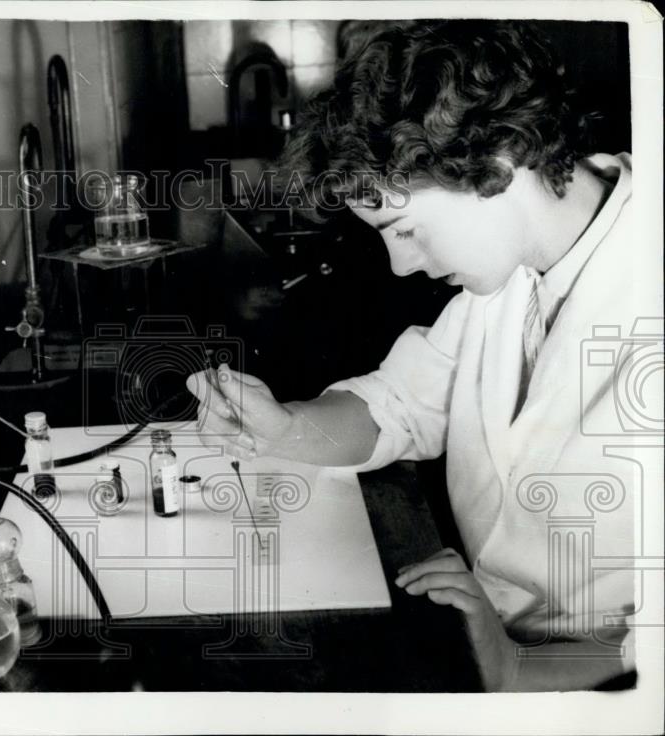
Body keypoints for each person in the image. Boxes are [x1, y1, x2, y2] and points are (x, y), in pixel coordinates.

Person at [186, 20, 660, 691]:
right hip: (483, 641)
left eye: (404, 229)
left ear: (498, 163)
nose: (402, 264)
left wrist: (523, 667)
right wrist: (286, 426)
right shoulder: (513, 271)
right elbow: (400, 406)